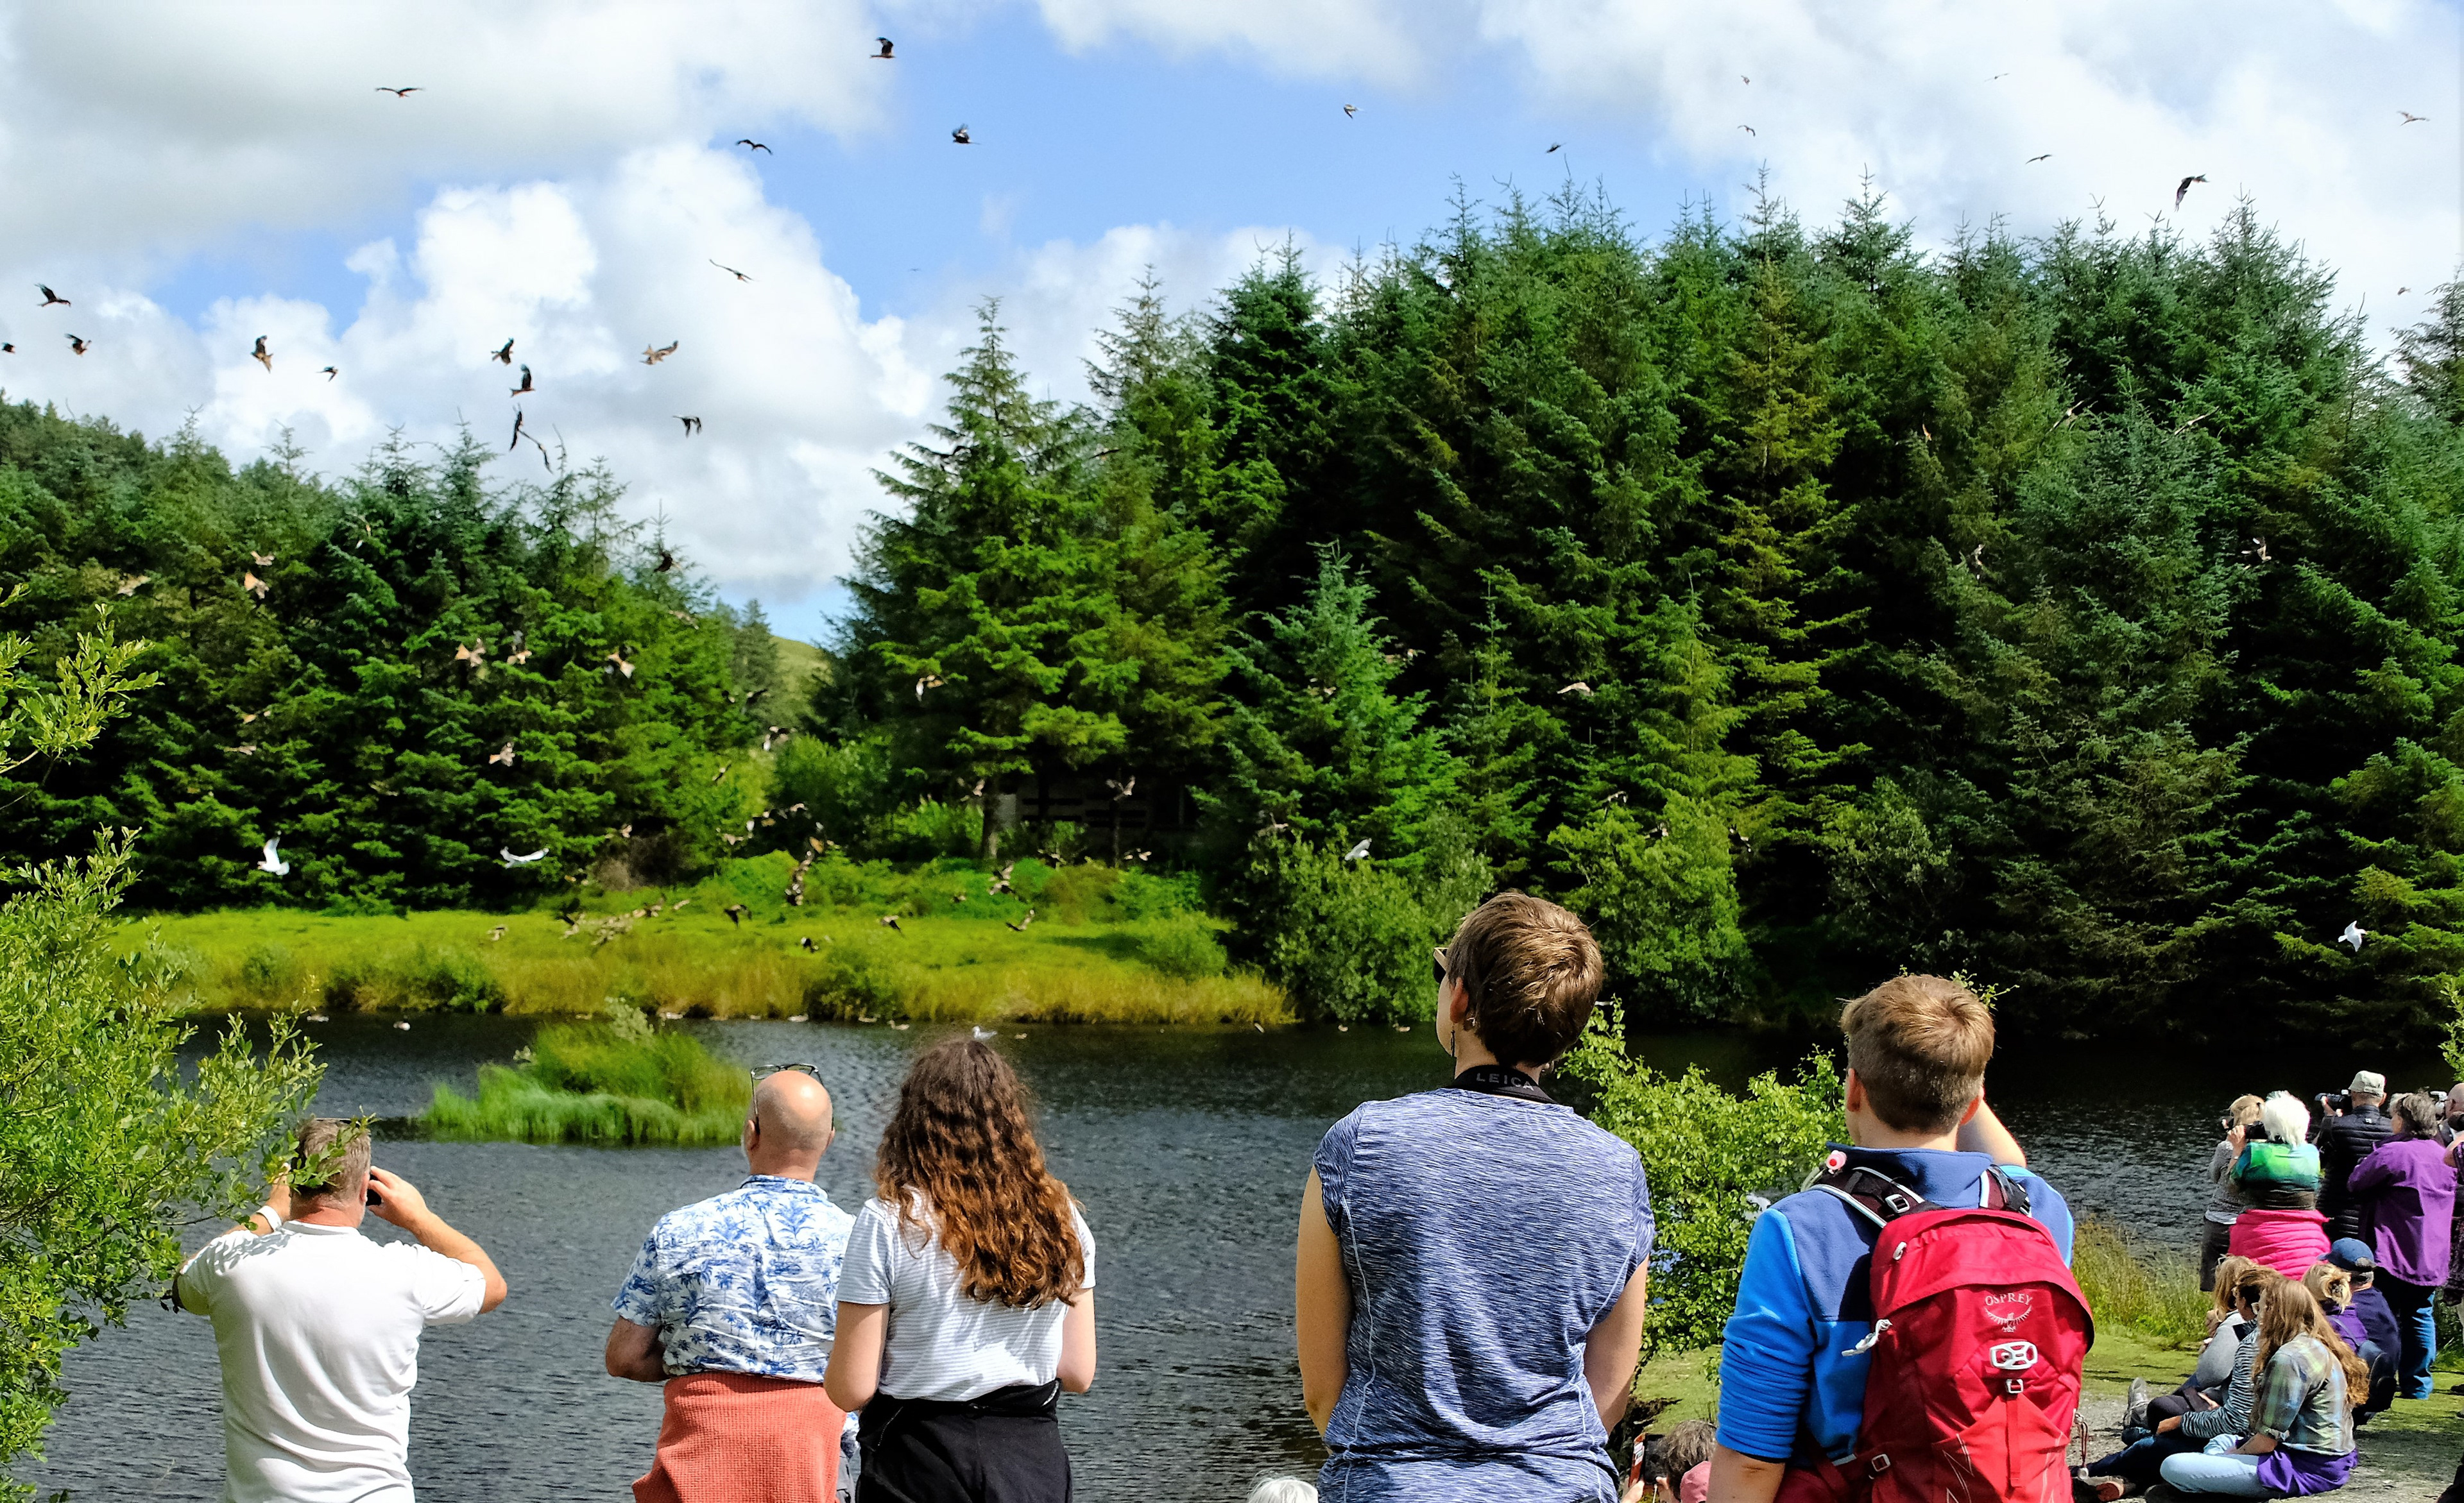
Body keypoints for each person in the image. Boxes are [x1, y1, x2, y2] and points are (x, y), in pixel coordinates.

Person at [1294, 892, 1652, 1502]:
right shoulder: (1618, 1170)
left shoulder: (1362, 1143)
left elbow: (1324, 1392)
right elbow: (1608, 1394)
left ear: (1459, 999)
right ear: (1569, 1030)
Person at [1707, 974, 2073, 1502]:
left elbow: (1751, 1460)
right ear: (1974, 1105)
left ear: (1853, 1088)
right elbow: (2009, 1161)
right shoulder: (2038, 1213)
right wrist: (1962, 1083)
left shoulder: (1798, 1231)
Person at [174, 1118, 508, 1503]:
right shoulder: (406, 1273)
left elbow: (183, 1285)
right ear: (366, 1189)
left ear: (294, 1180)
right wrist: (419, 1218)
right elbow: (492, 1286)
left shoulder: (231, 1262)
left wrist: (271, 1210)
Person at [823, 1037, 1095, 1503]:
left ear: (914, 1122)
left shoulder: (890, 1220)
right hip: (1030, 1461)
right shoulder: (1063, 1218)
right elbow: (1077, 1371)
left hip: (917, 1460)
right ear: (1012, 1120)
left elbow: (852, 1387)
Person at [608, 1066, 855, 1503]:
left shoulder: (678, 1229)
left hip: (699, 1472)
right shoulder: (860, 1242)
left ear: (750, 1134)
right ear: (829, 1139)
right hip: (812, 1468)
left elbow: (625, 1357)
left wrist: (709, 1362)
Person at [2085, 1264, 2279, 1495]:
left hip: (2251, 1444)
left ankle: (2087, 1470)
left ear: (2252, 1305)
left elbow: (2235, 1420)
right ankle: (2128, 1477)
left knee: (2155, 1445)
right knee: (2154, 1438)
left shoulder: (2251, 1343)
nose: (2236, 1305)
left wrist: (2181, 1422)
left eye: (2238, 1299)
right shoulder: (2297, 1340)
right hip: (2267, 1441)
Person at [2157, 1280, 2363, 1497]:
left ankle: (2214, 1491)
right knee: (2220, 1440)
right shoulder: (2315, 1344)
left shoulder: (2288, 1359)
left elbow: (2266, 1442)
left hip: (2305, 1467)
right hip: (2322, 1458)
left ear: (2275, 1312)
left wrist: (2233, 1454)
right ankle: (2215, 1490)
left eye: (2260, 1309)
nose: (2257, 1317)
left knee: (2173, 1466)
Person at [2345, 1089, 2456, 1400]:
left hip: (2393, 1251)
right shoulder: (2444, 1154)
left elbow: (2356, 1183)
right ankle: (2418, 1385)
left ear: (2403, 1120)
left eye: (2394, 1116)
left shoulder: (2394, 1153)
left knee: (2382, 1315)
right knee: (2420, 1314)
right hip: (2432, 1253)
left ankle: (2378, 1379)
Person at [2229, 1093, 2329, 1277]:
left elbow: (2233, 1186)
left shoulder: (2255, 1152)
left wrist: (2238, 1150)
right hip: (2308, 1233)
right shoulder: (2312, 1154)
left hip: (2259, 1230)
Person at [2315, 1071, 2391, 1242]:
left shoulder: (2334, 1125)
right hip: (2375, 1222)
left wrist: (2330, 1120)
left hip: (2334, 1217)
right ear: (2383, 1098)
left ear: (2352, 1095)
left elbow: (2314, 1164)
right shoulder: (2394, 1131)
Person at [2201, 1096, 2266, 1289]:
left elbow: (2214, 1176)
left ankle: (2218, 1315)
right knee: (2242, 1282)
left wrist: (2228, 1140)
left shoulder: (2227, 1147)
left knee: (2215, 1283)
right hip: (2248, 1223)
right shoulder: (2266, 1150)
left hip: (2219, 1222)